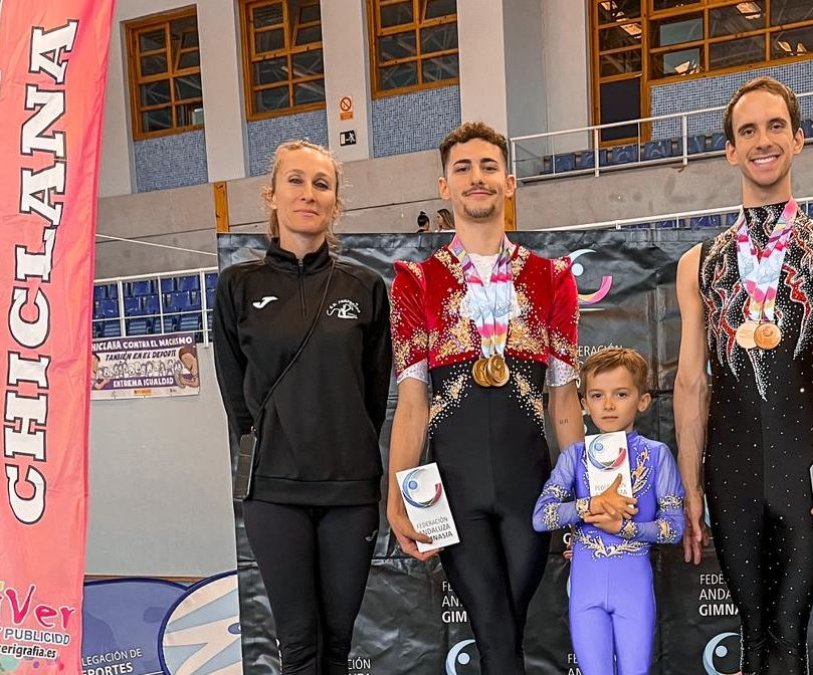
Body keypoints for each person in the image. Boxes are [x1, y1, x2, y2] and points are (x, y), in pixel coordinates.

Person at [673, 76, 813, 674]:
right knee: (752, 631)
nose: (763, 140)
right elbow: (690, 382)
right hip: (729, 468)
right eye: (748, 130)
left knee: (788, 633)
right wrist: (688, 489)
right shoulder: (698, 262)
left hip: (808, 461)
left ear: (800, 139)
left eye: (776, 126)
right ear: (730, 149)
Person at [387, 121, 584, 674]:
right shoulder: (416, 281)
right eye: (464, 168)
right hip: (453, 492)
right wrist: (398, 492)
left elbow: (564, 402)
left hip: (532, 488)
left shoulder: (551, 277)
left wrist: (584, 490)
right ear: (444, 186)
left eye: (489, 167)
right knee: (495, 633)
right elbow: (412, 403)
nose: (478, 178)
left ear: (510, 182)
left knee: (507, 629)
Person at [212, 140, 393, 675]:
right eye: (295, 181)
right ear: (271, 195)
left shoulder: (365, 287)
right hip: (273, 492)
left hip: (349, 490)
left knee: (336, 646)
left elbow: (372, 394)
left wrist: (343, 447)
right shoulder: (239, 286)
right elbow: (235, 396)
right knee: (297, 647)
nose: (308, 194)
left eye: (321, 184)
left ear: (336, 203)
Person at [532, 348, 683, 675]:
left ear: (643, 401)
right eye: (598, 395)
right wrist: (590, 505)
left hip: (634, 588)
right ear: (584, 404)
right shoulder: (575, 456)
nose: (609, 405)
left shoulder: (657, 456)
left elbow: (674, 528)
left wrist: (625, 529)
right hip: (586, 588)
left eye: (621, 394)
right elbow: (542, 517)